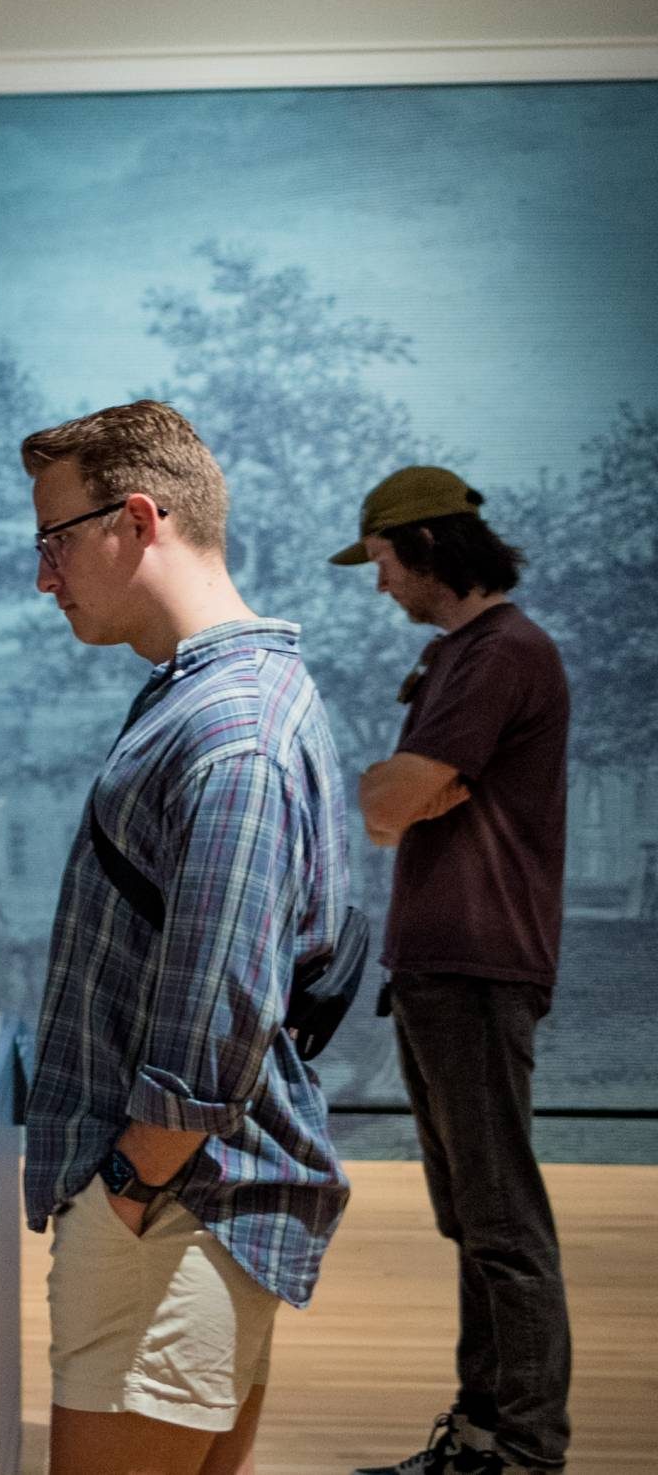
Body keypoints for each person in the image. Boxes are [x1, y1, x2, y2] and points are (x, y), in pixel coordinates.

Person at [21, 400, 349, 1475]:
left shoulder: (228, 731)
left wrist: (124, 1183)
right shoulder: (239, 697)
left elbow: (222, 1007)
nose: (44, 575)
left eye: (54, 538)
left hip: (171, 1208)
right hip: (185, 1202)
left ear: (138, 517)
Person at [337, 467, 571, 1475]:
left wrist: (387, 789)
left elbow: (394, 799)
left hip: (476, 968)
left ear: (427, 547)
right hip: (442, 968)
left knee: (500, 1222)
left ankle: (519, 1449)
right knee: (475, 1220)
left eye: (383, 561)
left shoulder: (496, 653)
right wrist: (393, 793)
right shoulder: (464, 654)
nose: (378, 583)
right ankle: (480, 1440)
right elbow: (398, 801)